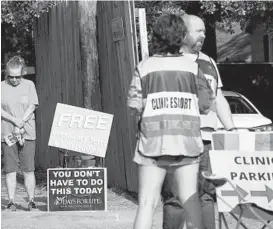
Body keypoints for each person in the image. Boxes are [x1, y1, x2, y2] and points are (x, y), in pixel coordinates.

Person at [127, 14, 215, 229]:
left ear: (156, 36)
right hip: (187, 144)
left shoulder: (144, 67)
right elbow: (206, 105)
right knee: (190, 199)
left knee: (147, 202)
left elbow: (133, 106)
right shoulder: (194, 68)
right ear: (181, 36)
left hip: (152, 145)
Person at [162, 14, 236, 229]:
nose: (203, 35)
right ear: (182, 34)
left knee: (205, 195)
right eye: (198, 31)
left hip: (206, 142)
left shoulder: (209, 62)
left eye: (204, 31)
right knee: (176, 198)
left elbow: (218, 98)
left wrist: (231, 129)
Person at [1, 55, 39, 211]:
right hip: (7, 132)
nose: (14, 80)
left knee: (28, 168)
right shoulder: (2, 86)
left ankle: (31, 201)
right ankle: (11, 201)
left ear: (23, 73)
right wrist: (14, 121)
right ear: (6, 73)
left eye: (18, 76)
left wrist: (21, 122)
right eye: (11, 76)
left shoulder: (29, 85)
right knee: (10, 169)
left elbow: (33, 105)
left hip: (27, 132)